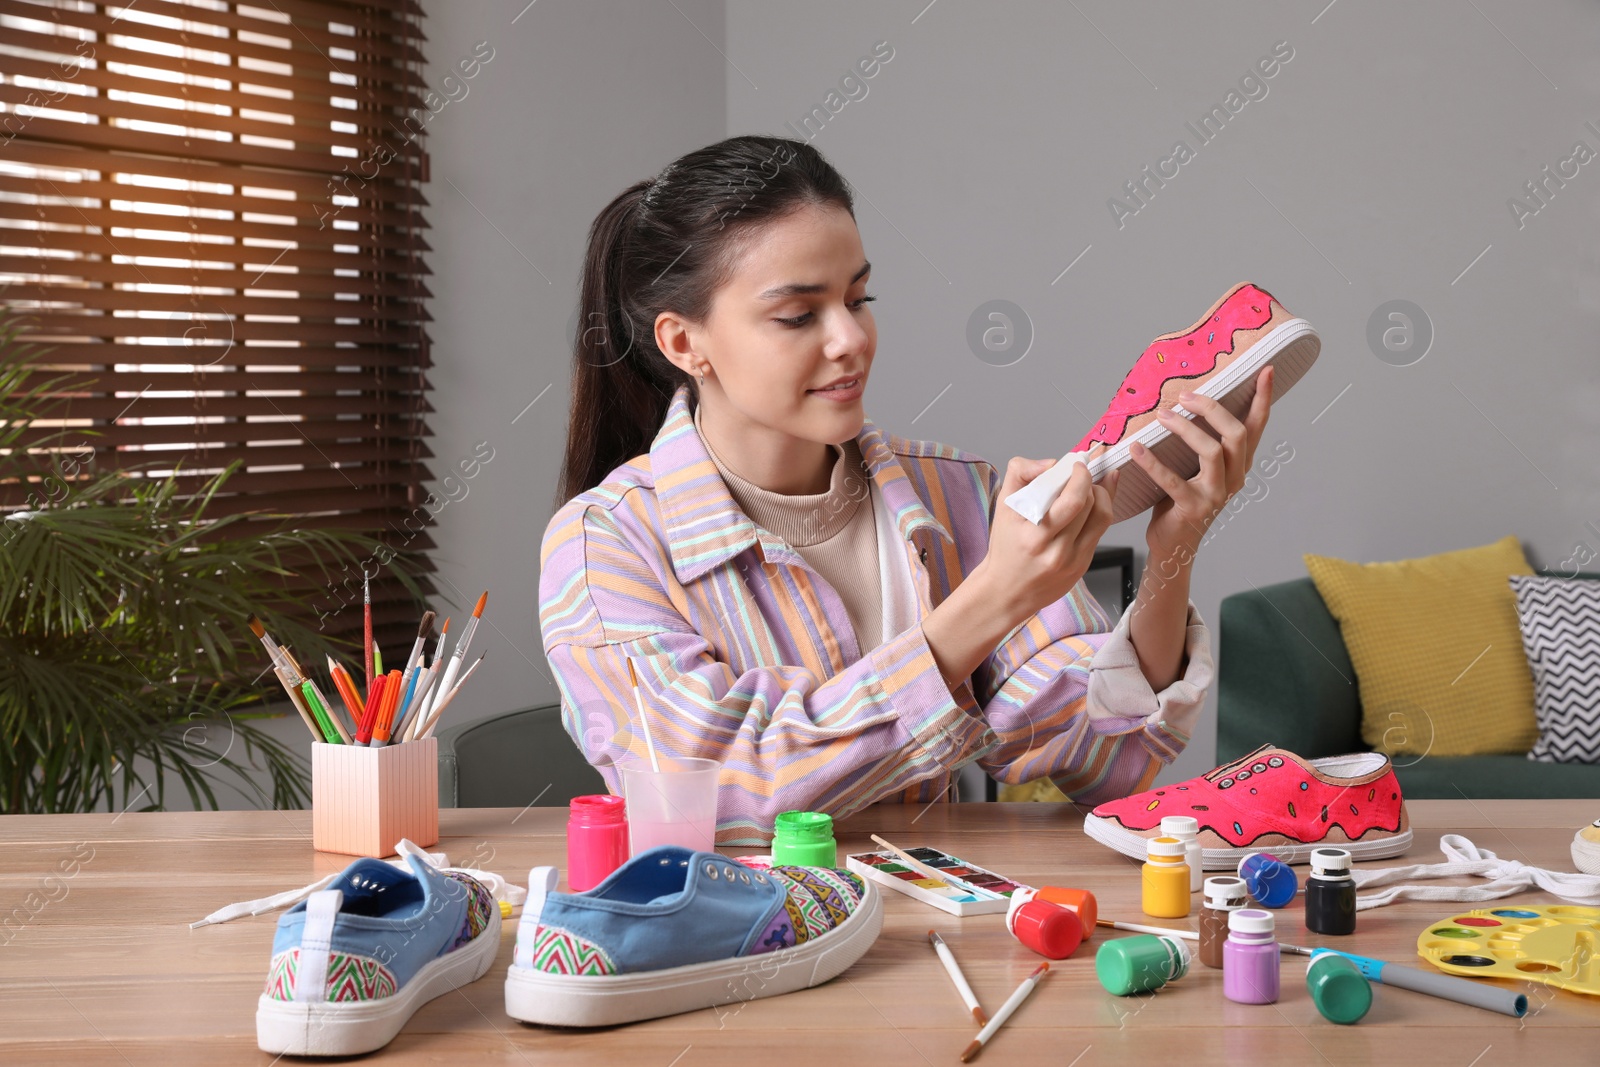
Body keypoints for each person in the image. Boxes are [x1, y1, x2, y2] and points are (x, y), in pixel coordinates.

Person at [539, 135, 1273, 846]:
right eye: (799, 314)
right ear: (682, 343)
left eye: (858, 298)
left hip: (932, 938)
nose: (851, 339)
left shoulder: (958, 492)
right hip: (747, 946)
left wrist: (1176, 546)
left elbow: (1106, 763)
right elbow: (722, 789)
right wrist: (993, 600)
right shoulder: (604, 543)